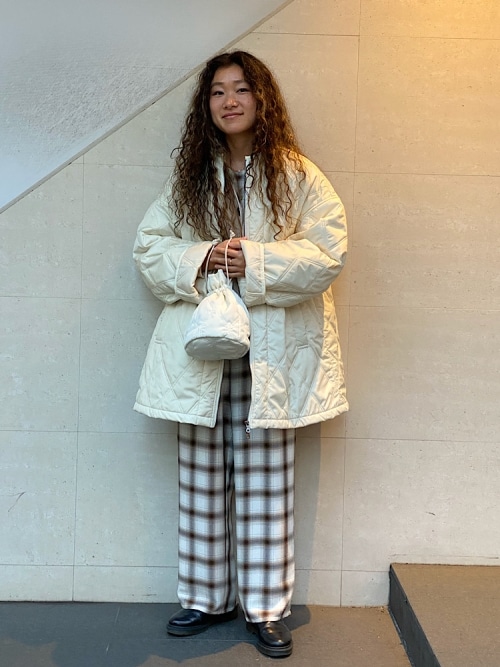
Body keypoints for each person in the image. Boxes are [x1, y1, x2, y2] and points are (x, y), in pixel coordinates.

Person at [133, 50, 348, 659]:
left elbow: (328, 253)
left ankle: (266, 609)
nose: (229, 101)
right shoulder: (191, 179)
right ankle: (205, 599)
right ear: (206, 106)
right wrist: (201, 257)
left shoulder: (297, 176)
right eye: (217, 92)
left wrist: (252, 260)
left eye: (242, 89)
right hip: (201, 352)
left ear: (262, 99)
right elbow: (149, 248)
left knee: (265, 483)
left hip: (272, 354)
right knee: (200, 477)